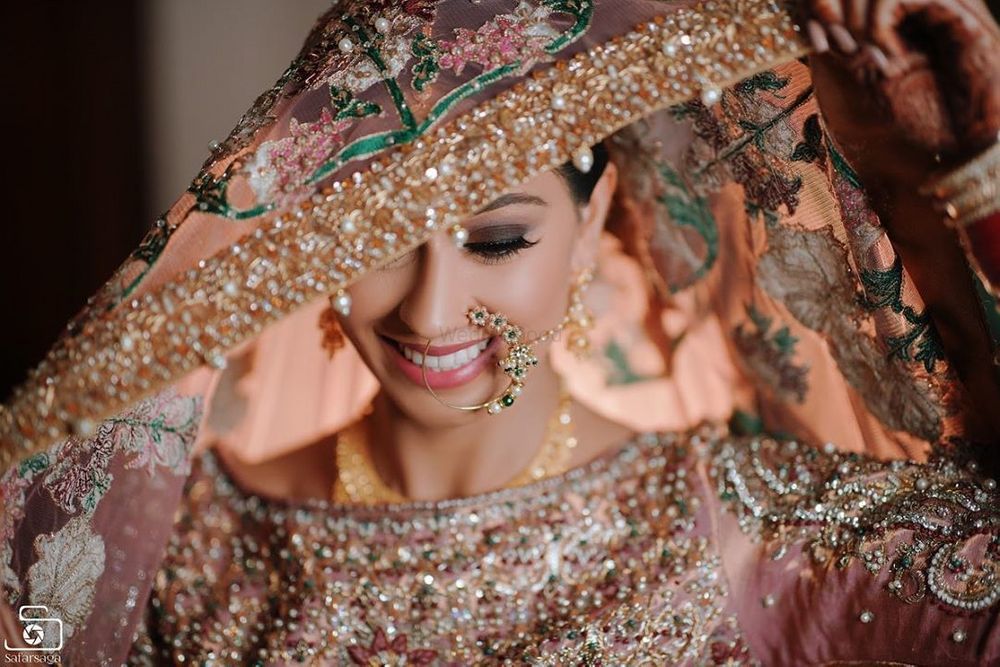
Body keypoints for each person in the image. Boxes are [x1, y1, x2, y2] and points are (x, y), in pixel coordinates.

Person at [1, 0, 998, 664]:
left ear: (589, 223)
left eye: (498, 239)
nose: (429, 315)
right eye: (375, 242)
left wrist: (969, 172)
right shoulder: (176, 556)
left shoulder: (756, 534)